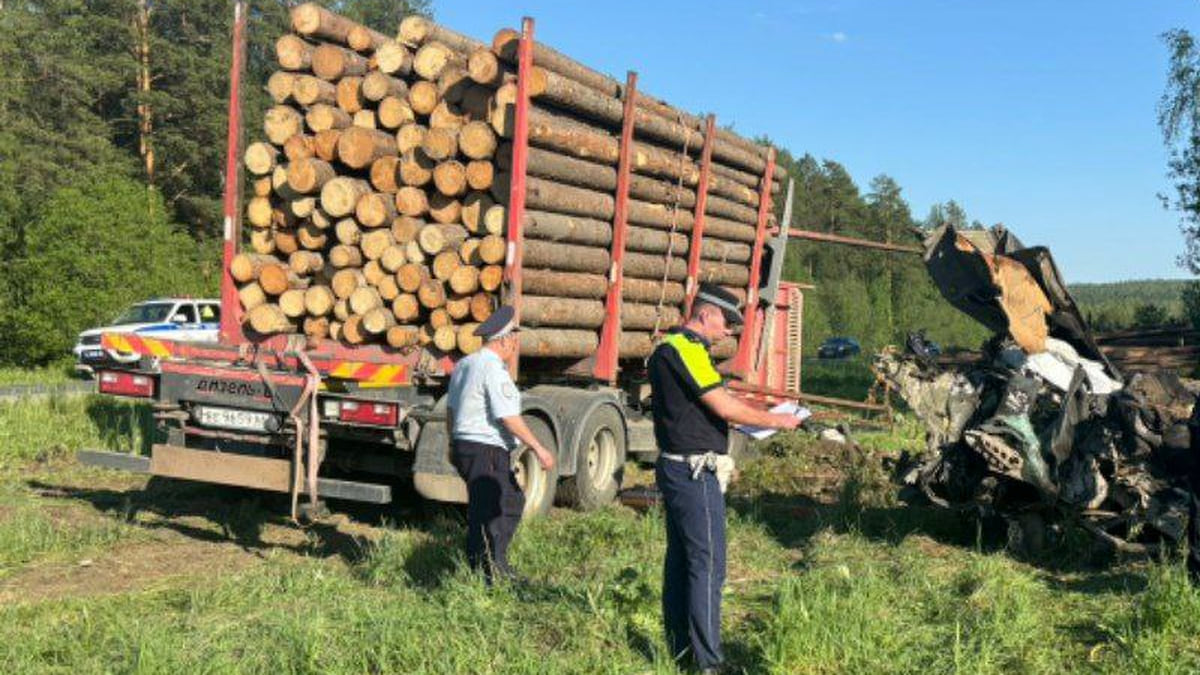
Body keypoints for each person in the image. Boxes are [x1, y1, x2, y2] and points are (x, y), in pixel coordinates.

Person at [648, 283, 802, 673]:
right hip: (693, 472)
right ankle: (709, 663)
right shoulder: (686, 348)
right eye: (728, 322)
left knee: (683, 562)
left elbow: (714, 400)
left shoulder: (675, 350)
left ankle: (682, 651)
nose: (730, 331)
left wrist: (755, 410)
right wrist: (777, 420)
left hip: (679, 466)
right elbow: (721, 405)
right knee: (708, 564)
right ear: (706, 314)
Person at [446, 305, 556, 584]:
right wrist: (538, 448)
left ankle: (482, 568)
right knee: (500, 507)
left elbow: (450, 410)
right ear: (504, 339)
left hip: (464, 445)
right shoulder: (494, 370)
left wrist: (451, 442)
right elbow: (507, 416)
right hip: (487, 449)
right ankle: (492, 571)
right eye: (514, 341)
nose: (514, 347)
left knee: (487, 506)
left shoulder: (464, 365)